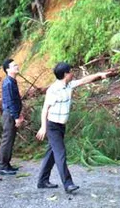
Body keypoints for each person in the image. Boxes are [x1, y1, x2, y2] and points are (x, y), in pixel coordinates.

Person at [36, 62, 109, 193]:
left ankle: (42, 180)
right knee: (60, 153)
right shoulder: (53, 90)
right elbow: (44, 109)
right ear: (65, 74)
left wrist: (98, 74)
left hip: (61, 125)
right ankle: (68, 184)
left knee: (52, 153)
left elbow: (84, 80)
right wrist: (43, 127)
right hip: (52, 126)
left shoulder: (69, 85)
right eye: (70, 71)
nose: (72, 73)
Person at [0, 58, 24, 176]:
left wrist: (20, 113)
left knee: (10, 139)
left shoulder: (12, 81)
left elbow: (16, 100)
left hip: (12, 113)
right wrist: (16, 117)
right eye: (14, 66)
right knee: (7, 140)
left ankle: (6, 164)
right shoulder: (8, 82)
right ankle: (1, 166)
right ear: (7, 69)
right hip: (9, 115)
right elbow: (10, 102)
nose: (17, 67)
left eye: (16, 65)